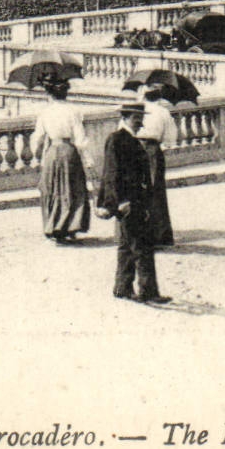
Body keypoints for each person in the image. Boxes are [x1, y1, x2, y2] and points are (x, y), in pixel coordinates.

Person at [97, 101, 171, 304]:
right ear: (126, 117)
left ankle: (122, 287)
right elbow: (111, 174)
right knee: (142, 246)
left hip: (135, 200)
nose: (140, 122)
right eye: (136, 118)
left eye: (141, 118)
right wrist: (119, 201)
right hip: (129, 202)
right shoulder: (117, 139)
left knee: (126, 246)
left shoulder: (131, 140)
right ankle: (148, 292)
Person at [29, 76, 91, 243]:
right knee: (71, 187)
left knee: (52, 188)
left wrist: (37, 154)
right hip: (68, 151)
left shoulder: (45, 112)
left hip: (52, 152)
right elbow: (80, 138)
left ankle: (53, 226)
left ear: (49, 94)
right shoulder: (73, 111)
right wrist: (87, 159)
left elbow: (38, 137)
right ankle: (70, 226)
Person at [136, 85, 177, 247]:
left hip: (135, 148)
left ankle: (137, 233)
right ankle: (158, 234)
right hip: (153, 150)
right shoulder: (163, 112)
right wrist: (163, 146)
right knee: (155, 190)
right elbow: (170, 137)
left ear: (144, 95)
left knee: (135, 189)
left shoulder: (137, 110)